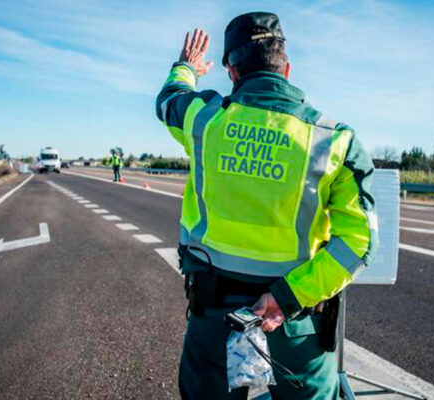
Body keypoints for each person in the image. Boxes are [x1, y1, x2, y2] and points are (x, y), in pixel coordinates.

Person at [155, 12, 377, 400]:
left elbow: (169, 99)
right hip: (295, 322)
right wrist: (285, 299)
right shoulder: (334, 141)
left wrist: (187, 68)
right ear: (286, 68)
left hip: (213, 314)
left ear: (232, 72)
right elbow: (358, 243)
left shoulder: (204, 119)